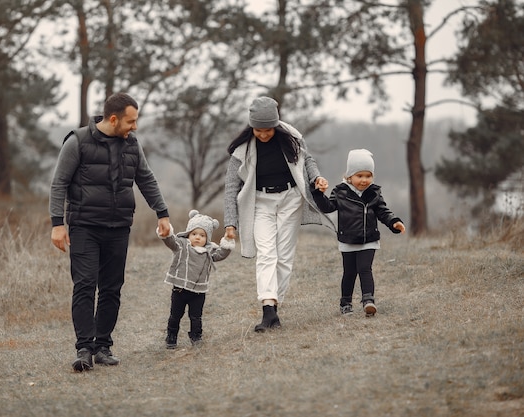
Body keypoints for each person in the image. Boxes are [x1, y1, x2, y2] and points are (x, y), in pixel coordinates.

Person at [49, 92, 171, 372]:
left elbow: (146, 178)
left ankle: (103, 346)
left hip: (118, 226)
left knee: (112, 288)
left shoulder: (131, 144)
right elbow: (59, 184)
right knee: (84, 285)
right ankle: (84, 348)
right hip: (84, 227)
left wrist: (162, 212)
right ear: (113, 119)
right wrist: (57, 224)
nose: (135, 127)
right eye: (131, 121)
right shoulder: (77, 141)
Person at [223, 96, 334, 332]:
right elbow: (231, 186)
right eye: (258, 130)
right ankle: (267, 310)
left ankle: (274, 306)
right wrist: (230, 223)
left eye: (268, 130)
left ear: (276, 125)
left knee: (284, 256)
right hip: (260, 202)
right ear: (251, 126)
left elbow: (307, 161)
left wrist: (316, 178)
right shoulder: (242, 150)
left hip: (290, 199)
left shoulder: (292, 137)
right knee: (266, 253)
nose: (263, 135)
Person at [310, 148, 406, 316]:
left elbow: (383, 211)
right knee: (349, 273)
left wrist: (394, 222)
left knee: (365, 268)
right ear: (350, 176)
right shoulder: (340, 192)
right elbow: (328, 207)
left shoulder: (374, 192)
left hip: (369, 239)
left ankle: (368, 300)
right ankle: (345, 302)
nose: (364, 180)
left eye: (368, 176)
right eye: (359, 176)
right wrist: (318, 194)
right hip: (347, 240)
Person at [158, 210, 234, 349]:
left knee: (196, 317)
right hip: (179, 290)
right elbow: (171, 242)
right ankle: (171, 337)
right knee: (175, 315)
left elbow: (221, 254)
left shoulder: (209, 251)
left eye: (202, 235)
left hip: (198, 293)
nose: (198, 237)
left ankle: (196, 337)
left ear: (208, 238)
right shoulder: (182, 246)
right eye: (194, 234)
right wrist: (166, 234)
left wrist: (227, 242)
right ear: (188, 234)